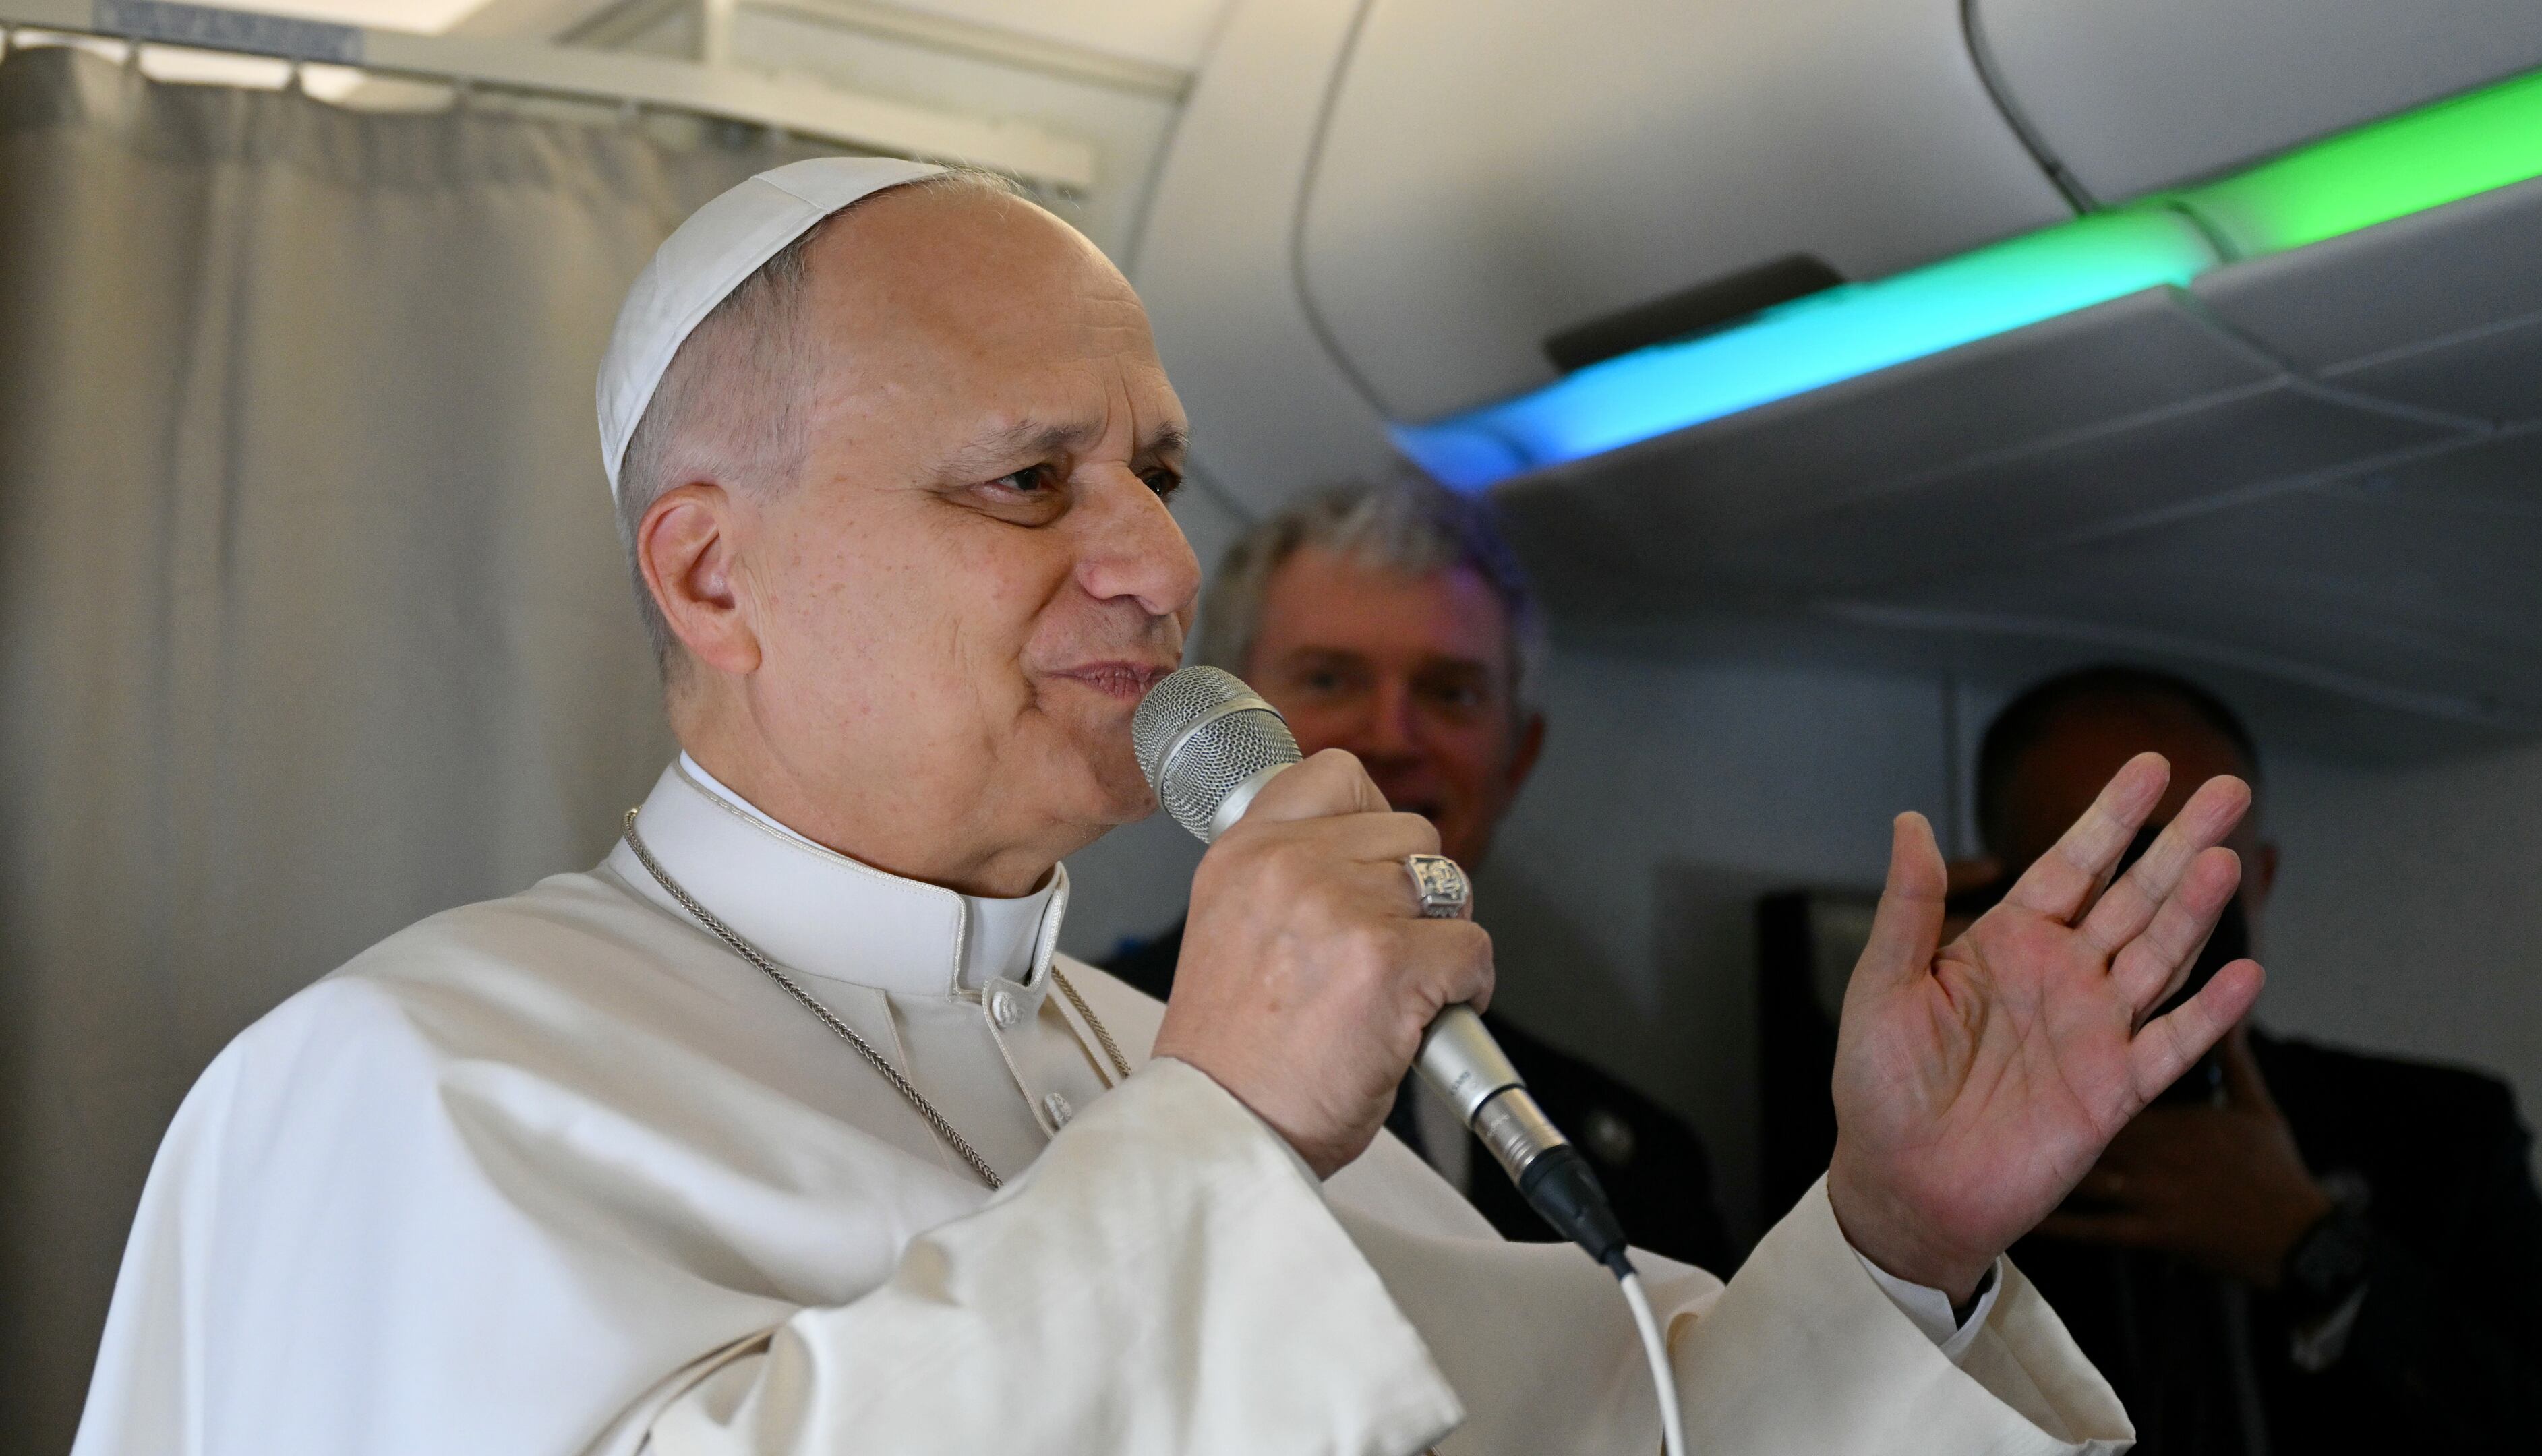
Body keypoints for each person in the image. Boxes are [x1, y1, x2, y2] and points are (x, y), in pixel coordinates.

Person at [71, 158, 2266, 1455]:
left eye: (1156, 472)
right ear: (714, 571)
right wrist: (1213, 1136)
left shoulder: (1160, 1066)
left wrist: (1900, 1228)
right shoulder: (400, 1090)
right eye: (1029, 478)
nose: (1148, 562)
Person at [1104, 481, 1735, 1272]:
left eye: (1450, 693)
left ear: (1519, 757)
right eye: (1330, 679)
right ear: (1227, 717)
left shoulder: (1634, 1165)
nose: (1391, 736)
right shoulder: (1086, 1056)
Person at [1972, 665, 2542, 1453]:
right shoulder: (1924, 1157)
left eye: (2198, 877)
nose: (2155, 922)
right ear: (2005, 895)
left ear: (2258, 881)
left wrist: (2310, 1247)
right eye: (2107, 875)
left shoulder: (2443, 1137)